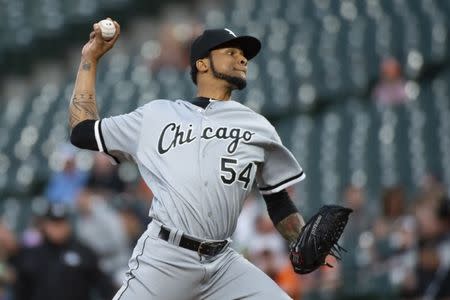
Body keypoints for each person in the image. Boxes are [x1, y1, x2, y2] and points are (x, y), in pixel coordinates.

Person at [69, 19, 308, 299]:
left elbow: (278, 200)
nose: (242, 58)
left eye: (244, 55)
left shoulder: (258, 126)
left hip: (223, 264)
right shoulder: (156, 116)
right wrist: (90, 58)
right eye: (231, 52)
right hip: (166, 259)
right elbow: (82, 132)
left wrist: (300, 240)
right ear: (202, 64)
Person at [11, 202, 115, 300]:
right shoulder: (31, 255)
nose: (57, 228)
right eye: (54, 223)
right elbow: (21, 291)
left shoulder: (83, 252)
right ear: (45, 225)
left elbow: (104, 286)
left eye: (61, 223)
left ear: (68, 225)